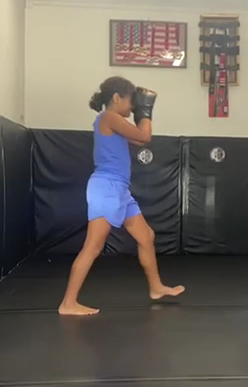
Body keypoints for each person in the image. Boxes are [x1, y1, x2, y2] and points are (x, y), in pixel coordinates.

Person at [59, 76, 184, 315]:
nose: (132, 106)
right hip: (106, 187)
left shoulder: (115, 122)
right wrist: (146, 110)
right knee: (93, 247)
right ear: (116, 98)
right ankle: (68, 303)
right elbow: (145, 136)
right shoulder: (108, 117)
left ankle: (156, 288)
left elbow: (139, 140)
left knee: (146, 236)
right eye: (130, 101)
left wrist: (140, 115)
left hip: (120, 190)